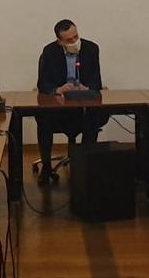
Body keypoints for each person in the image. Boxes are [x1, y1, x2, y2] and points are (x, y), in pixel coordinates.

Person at [35, 19, 107, 185]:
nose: (75, 41)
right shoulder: (50, 52)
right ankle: (46, 167)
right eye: (69, 40)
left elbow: (97, 81)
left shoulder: (91, 49)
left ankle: (85, 166)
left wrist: (87, 88)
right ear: (59, 41)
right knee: (44, 119)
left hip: (83, 105)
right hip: (59, 108)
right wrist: (57, 90)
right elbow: (43, 84)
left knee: (94, 117)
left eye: (76, 36)